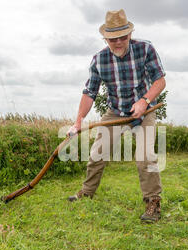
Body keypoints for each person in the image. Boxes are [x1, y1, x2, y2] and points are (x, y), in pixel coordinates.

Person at [67, 9, 166, 223]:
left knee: (145, 156)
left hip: (144, 110)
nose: (119, 42)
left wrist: (144, 101)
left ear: (130, 34)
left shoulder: (145, 49)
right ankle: (87, 192)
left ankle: (153, 202)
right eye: (113, 38)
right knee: (97, 153)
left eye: (123, 36)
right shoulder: (99, 60)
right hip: (115, 111)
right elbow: (89, 93)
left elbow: (160, 81)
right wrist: (77, 123)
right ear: (105, 38)